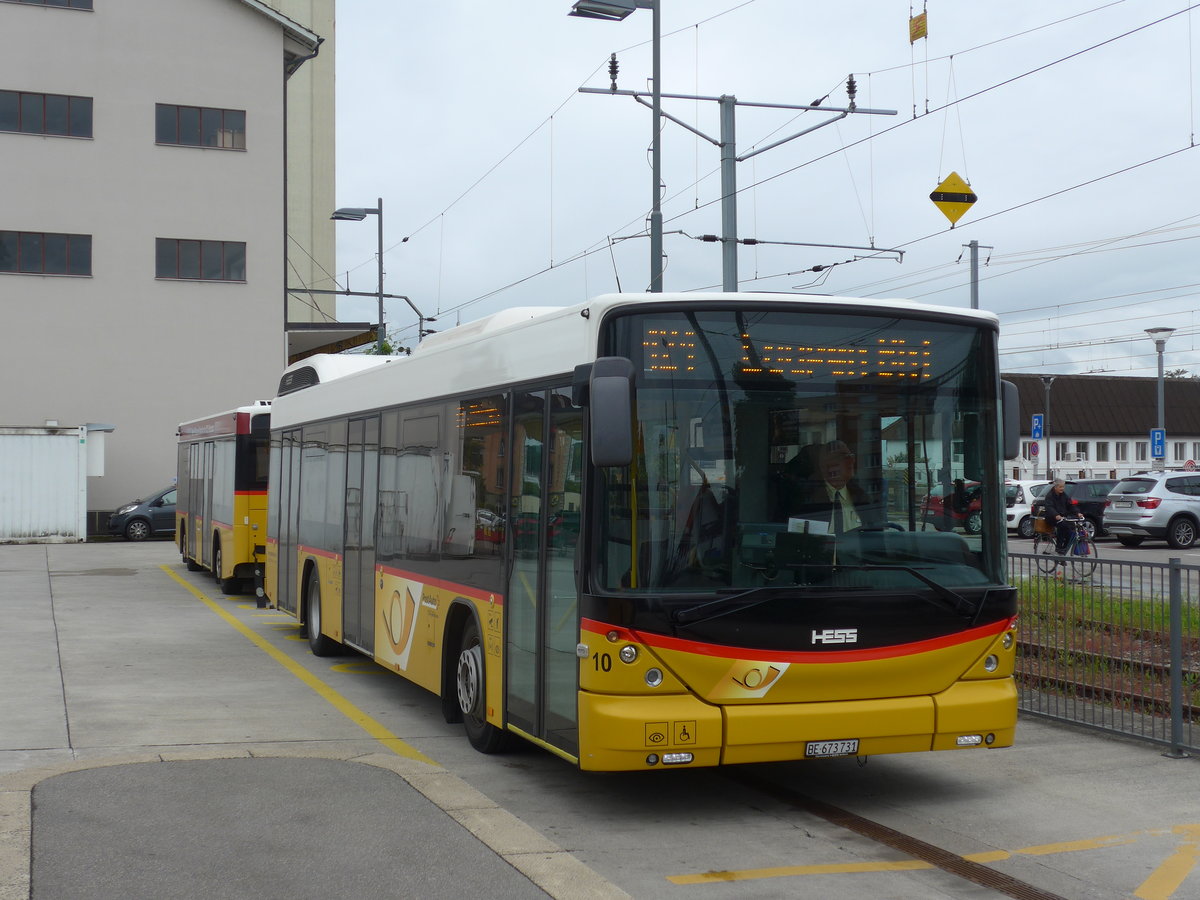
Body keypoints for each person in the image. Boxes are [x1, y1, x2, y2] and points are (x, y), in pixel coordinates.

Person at [791, 440, 881, 532]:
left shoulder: (862, 497)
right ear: (825, 464)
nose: (851, 461)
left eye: (851, 456)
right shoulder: (805, 498)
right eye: (843, 457)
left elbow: (875, 535)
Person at [1042, 478, 1076, 552]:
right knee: (1063, 526)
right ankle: (1059, 547)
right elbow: (1049, 507)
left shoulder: (1064, 495)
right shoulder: (1050, 496)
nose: (1062, 488)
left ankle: (1063, 550)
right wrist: (1056, 515)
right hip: (1051, 518)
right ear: (1055, 487)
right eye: (1060, 487)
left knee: (1072, 529)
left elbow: (1070, 505)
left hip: (1062, 517)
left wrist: (1078, 513)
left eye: (1063, 487)